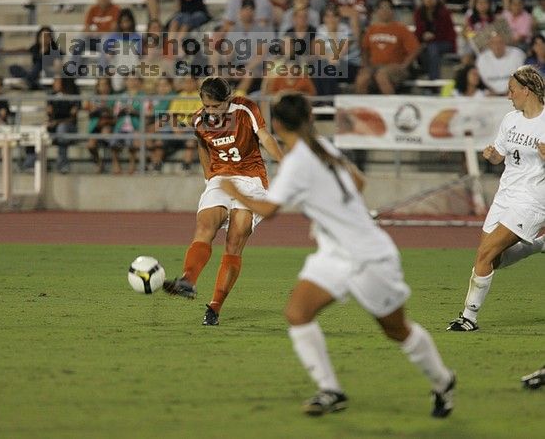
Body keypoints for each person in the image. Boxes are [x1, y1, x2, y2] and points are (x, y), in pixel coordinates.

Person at [220, 92, 456, 418]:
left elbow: (268, 210)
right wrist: (332, 215)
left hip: (368, 256)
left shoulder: (299, 160)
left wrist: (231, 189)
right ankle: (330, 389)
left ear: (277, 125)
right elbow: (359, 181)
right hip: (335, 253)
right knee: (297, 312)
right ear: (309, 119)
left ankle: (443, 381)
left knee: (396, 329)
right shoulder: (323, 147)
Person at [162, 77, 284, 326]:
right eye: (207, 107)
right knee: (205, 226)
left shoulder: (244, 108)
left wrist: (287, 162)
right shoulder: (198, 120)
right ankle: (188, 280)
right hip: (220, 179)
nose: (211, 112)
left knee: (235, 239)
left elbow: (265, 137)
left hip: (251, 181)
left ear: (227, 101)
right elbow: (202, 145)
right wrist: (209, 177)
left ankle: (214, 308)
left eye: (216, 107)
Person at [446, 65, 545, 332]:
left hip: (533, 199)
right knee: (495, 259)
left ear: (527, 90)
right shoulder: (510, 119)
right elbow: (500, 155)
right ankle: (537, 245)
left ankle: (468, 317)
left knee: (484, 253)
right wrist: (491, 156)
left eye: (511, 90)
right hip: (505, 195)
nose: (508, 96)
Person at [413, 0, 456, 80]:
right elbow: (418, 32)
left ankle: (433, 82)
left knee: (432, 48)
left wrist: (433, 37)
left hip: (445, 42)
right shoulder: (419, 13)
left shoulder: (444, 12)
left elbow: (448, 34)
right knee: (417, 48)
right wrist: (423, 36)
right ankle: (419, 73)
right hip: (426, 43)